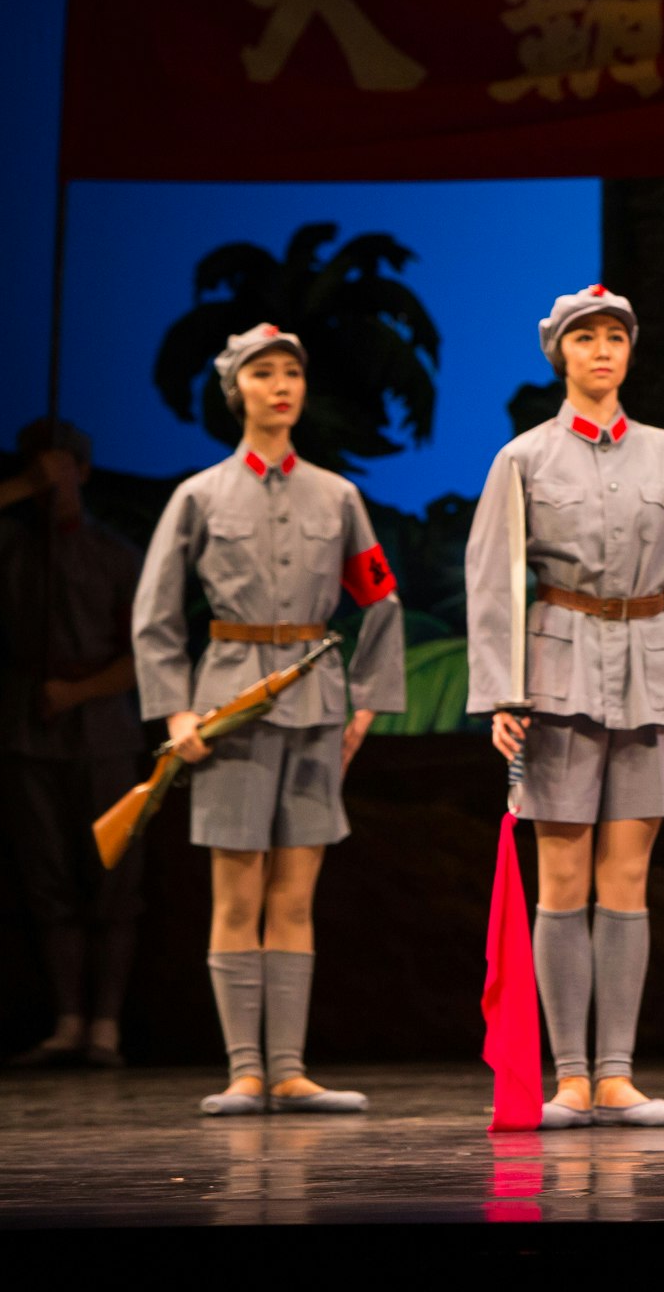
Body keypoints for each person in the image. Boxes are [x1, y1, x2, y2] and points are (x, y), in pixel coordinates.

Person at [466, 286, 664, 1129]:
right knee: (562, 880)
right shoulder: (522, 459)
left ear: (630, 351)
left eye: (614, 338)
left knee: (627, 880)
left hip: (650, 673)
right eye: (584, 338)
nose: (601, 351)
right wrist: (499, 693)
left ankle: (617, 1076)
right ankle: (567, 1080)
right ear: (558, 353)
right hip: (556, 678)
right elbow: (493, 583)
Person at [133, 324, 406, 1114]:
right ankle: (244, 1070)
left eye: (291, 373)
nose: (280, 385)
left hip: (316, 708)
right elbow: (155, 614)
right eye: (263, 374)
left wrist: (368, 703)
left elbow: (379, 597)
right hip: (229, 709)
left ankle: (288, 1069)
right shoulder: (200, 495)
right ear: (236, 392)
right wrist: (177, 707)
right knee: (237, 893)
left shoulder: (338, 495)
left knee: (295, 896)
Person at [0, 420, 145, 1068]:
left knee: (111, 880)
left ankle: (105, 1027)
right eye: (39, 466)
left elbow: (145, 655)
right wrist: (19, 489)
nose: (50, 477)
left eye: (61, 466)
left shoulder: (115, 554)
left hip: (103, 733)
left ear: (83, 472)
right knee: (47, 878)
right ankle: (66, 1020)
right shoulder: (11, 546)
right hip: (28, 733)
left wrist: (77, 694)